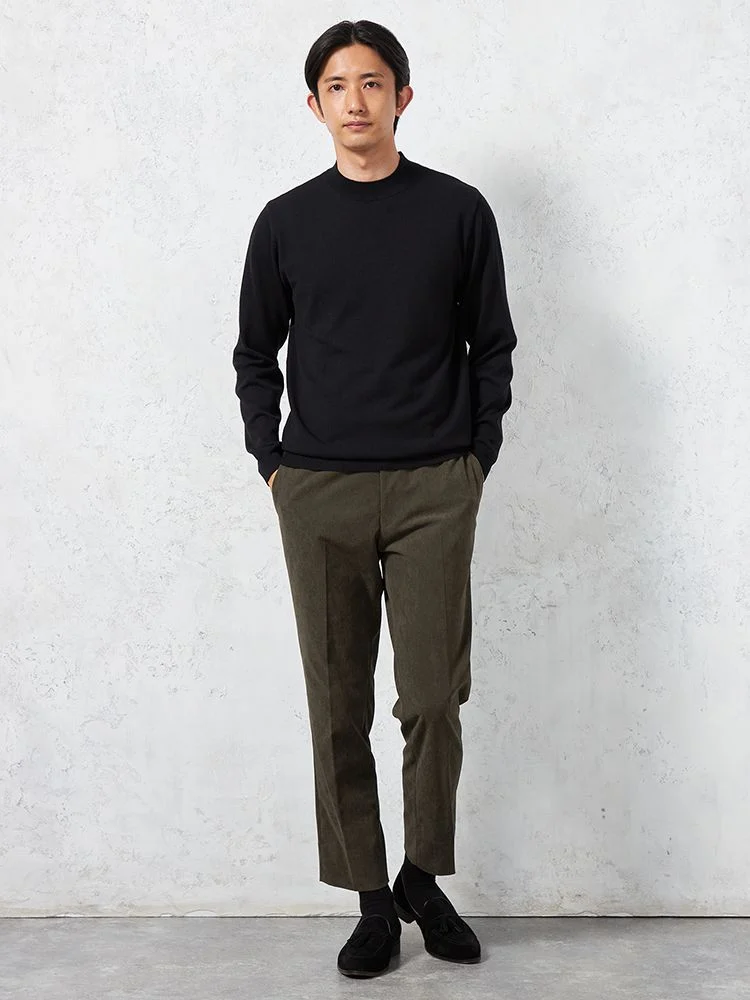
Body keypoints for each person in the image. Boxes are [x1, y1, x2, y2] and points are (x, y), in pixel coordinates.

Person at [232, 18, 517, 979]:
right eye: (337, 85)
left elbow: (492, 344)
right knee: (336, 702)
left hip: (437, 484)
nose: (355, 100)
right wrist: (273, 464)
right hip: (319, 490)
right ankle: (369, 902)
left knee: (434, 697)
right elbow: (254, 354)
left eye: (372, 82)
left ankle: (421, 877)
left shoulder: (458, 211)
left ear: (403, 95)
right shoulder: (284, 222)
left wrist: (476, 457)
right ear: (315, 105)